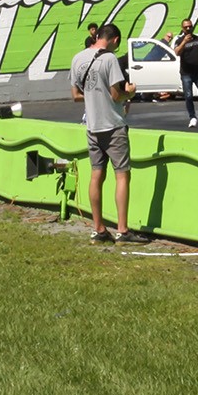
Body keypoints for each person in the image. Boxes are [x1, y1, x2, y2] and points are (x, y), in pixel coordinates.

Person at [70, 23, 147, 243]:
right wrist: (130, 93)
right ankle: (123, 230)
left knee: (96, 175)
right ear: (114, 39)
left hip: (92, 126)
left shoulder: (78, 58)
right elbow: (116, 95)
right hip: (112, 125)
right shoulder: (110, 59)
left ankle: (98, 228)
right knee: (122, 175)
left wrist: (94, 97)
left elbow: (75, 94)